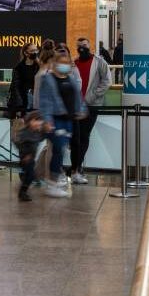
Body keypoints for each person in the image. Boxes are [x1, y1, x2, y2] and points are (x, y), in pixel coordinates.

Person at [38, 50, 87, 198]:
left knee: (62, 149)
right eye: (62, 63)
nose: (65, 66)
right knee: (58, 149)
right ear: (55, 63)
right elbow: (45, 101)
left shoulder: (70, 78)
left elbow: (77, 96)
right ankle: (52, 182)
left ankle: (53, 178)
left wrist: (81, 110)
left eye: (67, 63)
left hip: (68, 119)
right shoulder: (48, 79)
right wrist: (47, 120)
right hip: (55, 119)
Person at [70, 38, 112, 184]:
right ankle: (75, 168)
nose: (82, 49)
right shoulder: (73, 63)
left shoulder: (100, 62)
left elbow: (107, 81)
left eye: (85, 46)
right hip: (75, 106)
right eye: (79, 46)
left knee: (84, 136)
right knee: (75, 138)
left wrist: (91, 97)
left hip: (92, 105)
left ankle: (77, 167)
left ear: (90, 47)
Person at [13, 111, 47, 201]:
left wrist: (47, 130)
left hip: (31, 158)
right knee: (30, 175)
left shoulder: (36, 132)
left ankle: (24, 188)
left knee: (31, 175)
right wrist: (25, 155)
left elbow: (41, 137)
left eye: (40, 122)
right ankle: (22, 192)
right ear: (30, 121)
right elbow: (19, 143)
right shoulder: (25, 133)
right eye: (36, 121)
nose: (38, 123)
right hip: (25, 158)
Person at [7, 42, 40, 117]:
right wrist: (19, 107)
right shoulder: (19, 68)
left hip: (36, 101)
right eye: (32, 51)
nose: (35, 53)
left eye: (36, 50)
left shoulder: (38, 66)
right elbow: (15, 87)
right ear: (26, 53)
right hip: (24, 102)